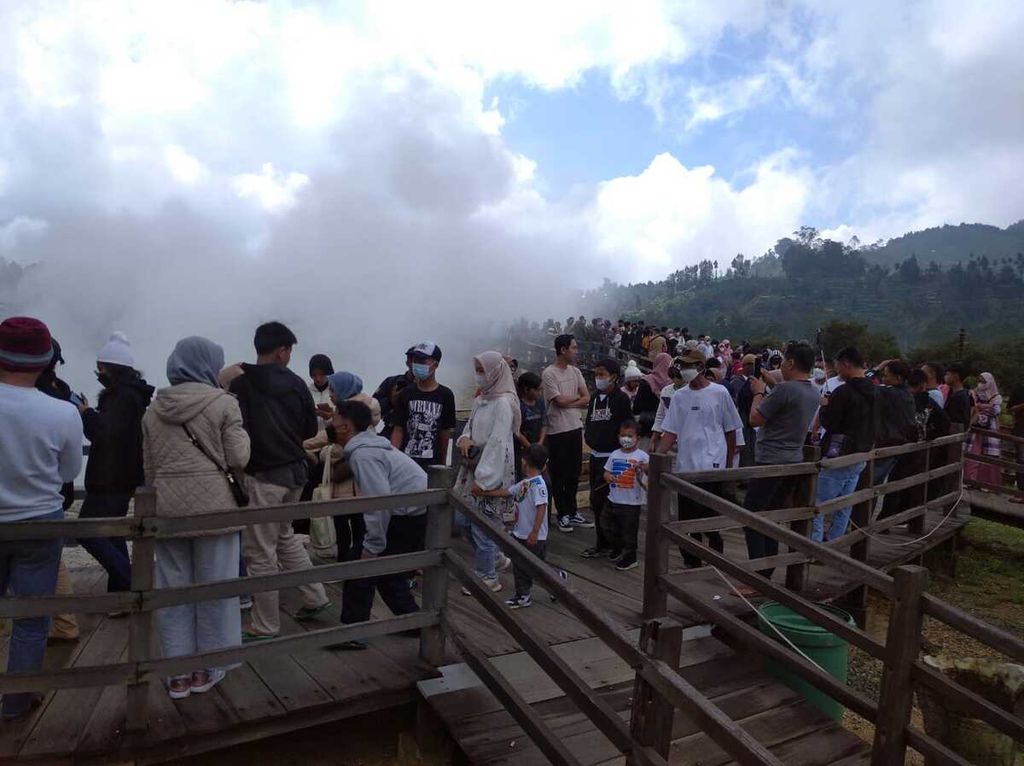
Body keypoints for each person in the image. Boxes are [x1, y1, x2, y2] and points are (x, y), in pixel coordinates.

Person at [143, 337, 251, 699]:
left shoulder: (153, 408)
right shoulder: (224, 403)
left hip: (168, 510)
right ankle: (209, 667)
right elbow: (238, 458)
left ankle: (178, 675)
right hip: (215, 509)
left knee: (174, 591)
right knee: (216, 589)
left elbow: (149, 467)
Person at [0, 317, 83, 720]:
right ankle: (17, 702)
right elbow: (68, 473)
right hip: (39, 524)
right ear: (46, 360)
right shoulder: (63, 413)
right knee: (32, 620)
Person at [229, 321, 330, 641]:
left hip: (264, 476)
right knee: (284, 536)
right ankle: (316, 598)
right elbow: (308, 430)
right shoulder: (297, 384)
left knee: (259, 552)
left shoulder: (241, 384)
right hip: (295, 474)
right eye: (289, 350)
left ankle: (265, 625)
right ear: (281, 350)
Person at [332, 400, 428, 649]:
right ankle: (414, 622)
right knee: (389, 570)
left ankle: (355, 632)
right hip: (413, 512)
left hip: (403, 515)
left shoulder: (364, 454)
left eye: (334, 418)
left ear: (345, 426)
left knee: (360, 567)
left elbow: (379, 502)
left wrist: (372, 545)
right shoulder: (370, 445)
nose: (331, 423)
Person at [77, 332, 154, 595]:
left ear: (110, 368)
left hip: (110, 475)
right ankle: (121, 594)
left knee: (87, 530)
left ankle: (131, 580)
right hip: (126, 473)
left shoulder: (120, 396)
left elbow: (104, 433)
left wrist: (87, 414)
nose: (98, 373)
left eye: (100, 368)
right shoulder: (133, 394)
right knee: (112, 532)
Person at [741, 342, 820, 583]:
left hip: (770, 461)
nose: (782, 364)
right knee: (770, 518)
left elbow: (755, 420)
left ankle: (758, 576)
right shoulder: (813, 391)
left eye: (785, 360)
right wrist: (772, 385)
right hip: (792, 460)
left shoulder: (784, 390)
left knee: (751, 518)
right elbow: (789, 400)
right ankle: (767, 572)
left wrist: (757, 392)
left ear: (792, 362)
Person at [657, 348, 742, 568]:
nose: (685, 370)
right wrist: (657, 457)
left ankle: (716, 557)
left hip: (712, 464)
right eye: (682, 366)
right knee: (687, 518)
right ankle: (691, 560)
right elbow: (670, 431)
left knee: (710, 517)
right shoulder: (679, 396)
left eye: (689, 366)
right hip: (686, 466)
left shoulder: (720, 393)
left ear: (701, 368)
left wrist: (728, 464)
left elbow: (731, 429)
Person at [453, 352, 519, 592]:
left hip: (490, 473)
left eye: (482, 370)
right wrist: (464, 439)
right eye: (477, 369)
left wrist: (485, 481)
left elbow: (498, 443)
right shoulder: (481, 400)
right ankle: (496, 558)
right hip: (471, 468)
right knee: (462, 521)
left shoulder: (503, 404)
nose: (478, 375)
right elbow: (469, 427)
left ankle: (487, 575)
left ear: (494, 372)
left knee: (482, 526)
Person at [34, 338, 81, 643]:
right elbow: (71, 466)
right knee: (51, 561)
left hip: (18, 497)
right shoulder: (66, 395)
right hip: (52, 493)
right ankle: (64, 623)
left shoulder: (26, 395)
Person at [311, 371, 380, 561]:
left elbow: (334, 447)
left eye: (332, 389)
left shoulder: (348, 421)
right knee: (358, 526)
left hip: (346, 484)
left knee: (344, 526)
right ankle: (355, 562)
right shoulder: (361, 418)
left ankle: (346, 563)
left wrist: (321, 454)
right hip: (359, 486)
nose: (330, 393)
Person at [473, 444, 550, 609]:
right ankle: (523, 594)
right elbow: (508, 491)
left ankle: (552, 581)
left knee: (536, 567)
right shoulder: (525, 483)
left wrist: (535, 532)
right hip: (520, 532)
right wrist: (485, 493)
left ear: (525, 462)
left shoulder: (538, 485)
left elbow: (541, 508)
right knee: (521, 565)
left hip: (534, 535)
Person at [812, 347, 877, 542]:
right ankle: (835, 540)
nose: (837, 370)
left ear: (846, 364)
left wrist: (824, 406)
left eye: (839, 366)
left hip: (838, 454)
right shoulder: (875, 391)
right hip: (862, 453)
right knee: (845, 503)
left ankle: (814, 544)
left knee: (817, 502)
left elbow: (830, 422)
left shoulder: (843, 392)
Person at [581, 358, 632, 558]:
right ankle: (602, 543)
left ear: (614, 377)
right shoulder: (594, 398)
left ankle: (618, 545)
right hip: (595, 456)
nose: (598, 378)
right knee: (597, 501)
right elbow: (590, 422)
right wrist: (589, 437)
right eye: (596, 374)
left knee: (613, 504)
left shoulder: (621, 399)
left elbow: (627, 425)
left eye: (602, 374)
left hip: (612, 456)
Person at [542, 335, 592, 533]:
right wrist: (577, 399)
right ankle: (562, 513)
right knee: (559, 473)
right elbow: (558, 402)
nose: (576, 351)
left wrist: (570, 400)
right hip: (557, 430)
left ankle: (572, 511)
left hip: (574, 427)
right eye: (573, 347)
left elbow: (587, 397)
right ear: (562, 350)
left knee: (574, 471)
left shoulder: (576, 371)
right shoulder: (549, 374)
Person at [391, 342, 456, 471]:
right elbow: (398, 429)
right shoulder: (406, 393)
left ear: (435, 364)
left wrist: (442, 463)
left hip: (432, 463)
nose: (417, 364)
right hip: (406, 463)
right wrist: (393, 458)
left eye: (423, 360)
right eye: (415, 360)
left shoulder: (445, 395)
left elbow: (445, 432)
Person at [602, 420, 649, 571]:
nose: (626, 439)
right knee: (607, 525)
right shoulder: (614, 454)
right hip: (613, 498)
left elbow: (650, 470)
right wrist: (608, 477)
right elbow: (607, 471)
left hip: (631, 502)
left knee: (629, 531)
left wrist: (642, 466)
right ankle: (617, 548)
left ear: (638, 438)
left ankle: (630, 557)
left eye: (630, 436)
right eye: (623, 435)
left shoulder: (642, 456)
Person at [873, 360, 918, 485]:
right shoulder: (907, 394)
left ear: (898, 377)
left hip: (886, 443)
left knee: (868, 482)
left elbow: (863, 384)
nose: (883, 378)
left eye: (886, 375)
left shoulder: (890, 393)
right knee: (876, 484)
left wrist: (876, 369)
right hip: (897, 443)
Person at [965, 372, 1003, 486]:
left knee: (988, 454)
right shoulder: (973, 393)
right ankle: (969, 479)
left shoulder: (996, 397)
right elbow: (972, 406)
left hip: (989, 429)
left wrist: (980, 408)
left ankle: (985, 483)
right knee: (972, 451)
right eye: (979, 380)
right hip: (975, 427)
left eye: (983, 381)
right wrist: (985, 408)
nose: (980, 383)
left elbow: (996, 411)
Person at [373, 350, 415, 440]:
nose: (417, 364)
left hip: (416, 436)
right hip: (390, 430)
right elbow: (372, 409)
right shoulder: (392, 382)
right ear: (407, 362)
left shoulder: (431, 389)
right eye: (413, 360)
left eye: (422, 360)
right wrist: (390, 401)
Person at [515, 372, 547, 478]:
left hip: (539, 448)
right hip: (523, 450)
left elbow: (544, 423)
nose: (540, 393)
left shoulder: (540, 402)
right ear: (526, 389)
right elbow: (516, 430)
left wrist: (539, 444)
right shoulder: (518, 406)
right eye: (537, 390)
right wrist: (530, 447)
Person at [633, 353, 670, 438]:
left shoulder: (646, 381)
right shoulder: (671, 386)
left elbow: (637, 406)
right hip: (663, 428)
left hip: (645, 425)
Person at [650, 363, 684, 453]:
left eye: (678, 376)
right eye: (673, 376)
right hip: (666, 439)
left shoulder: (690, 392)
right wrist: (653, 440)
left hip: (684, 441)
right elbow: (660, 416)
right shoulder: (666, 391)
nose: (676, 379)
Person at [943, 363, 973, 432]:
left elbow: (957, 422)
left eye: (947, 374)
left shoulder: (959, 397)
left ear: (956, 376)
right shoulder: (954, 393)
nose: (945, 377)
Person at [308, 354, 335, 424]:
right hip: (311, 433)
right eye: (314, 375)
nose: (318, 379)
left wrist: (332, 415)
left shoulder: (337, 392)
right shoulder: (306, 391)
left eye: (321, 374)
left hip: (333, 432)